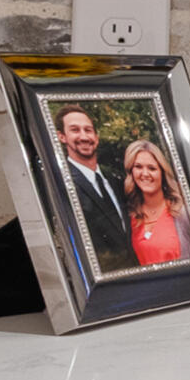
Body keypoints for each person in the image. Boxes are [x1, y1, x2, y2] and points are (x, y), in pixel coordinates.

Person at [55, 107, 136, 272]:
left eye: (88, 130)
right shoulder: (62, 186)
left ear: (96, 138)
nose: (84, 136)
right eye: (75, 130)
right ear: (61, 136)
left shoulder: (116, 180)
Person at [121, 138, 189, 266]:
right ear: (131, 171)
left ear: (162, 173)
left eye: (152, 168)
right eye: (138, 167)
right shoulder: (131, 216)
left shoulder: (182, 213)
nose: (145, 174)